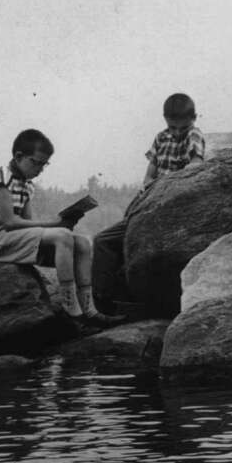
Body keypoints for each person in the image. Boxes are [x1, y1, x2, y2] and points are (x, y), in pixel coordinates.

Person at [0, 128, 119, 325]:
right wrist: (55, 225)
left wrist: (63, 222)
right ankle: (71, 311)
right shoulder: (1, 177)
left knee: (83, 243)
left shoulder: (27, 185)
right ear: (18, 156)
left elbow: (28, 224)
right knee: (61, 235)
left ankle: (89, 309)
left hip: (14, 239)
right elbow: (10, 222)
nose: (40, 170)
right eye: (36, 163)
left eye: (44, 165)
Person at [91, 93, 206, 315]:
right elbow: (149, 174)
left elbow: (196, 164)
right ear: (165, 120)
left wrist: (170, 182)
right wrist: (147, 187)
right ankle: (104, 303)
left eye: (180, 128)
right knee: (103, 241)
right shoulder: (160, 137)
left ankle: (120, 302)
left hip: (173, 202)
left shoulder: (193, 134)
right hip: (150, 202)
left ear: (193, 119)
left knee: (127, 245)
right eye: (171, 127)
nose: (175, 133)